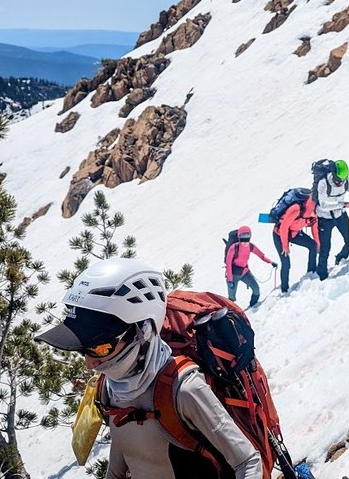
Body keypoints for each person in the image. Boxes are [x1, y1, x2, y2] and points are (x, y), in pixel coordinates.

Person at [35, 258, 263, 479]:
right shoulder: (110, 389)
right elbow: (120, 464)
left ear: (142, 330)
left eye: (101, 348)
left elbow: (248, 462)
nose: (89, 363)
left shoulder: (183, 389)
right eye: (82, 349)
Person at [315, 159, 349, 280]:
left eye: (342, 181)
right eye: (338, 181)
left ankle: (340, 258)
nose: (340, 183)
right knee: (325, 249)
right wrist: (343, 204)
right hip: (324, 218)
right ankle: (322, 275)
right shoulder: (323, 183)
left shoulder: (346, 181)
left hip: (340, 215)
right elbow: (323, 204)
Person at [272, 195, 320, 292]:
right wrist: (285, 246)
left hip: (295, 233)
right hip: (279, 234)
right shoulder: (296, 209)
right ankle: (284, 289)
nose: (315, 214)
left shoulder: (314, 214)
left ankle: (311, 272)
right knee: (286, 263)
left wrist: (318, 244)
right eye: (314, 212)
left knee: (313, 246)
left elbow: (314, 228)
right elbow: (283, 227)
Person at [225, 225, 277, 307]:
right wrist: (230, 280)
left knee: (256, 290)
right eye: (243, 239)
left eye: (247, 238)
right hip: (233, 275)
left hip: (245, 272)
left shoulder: (251, 246)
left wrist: (271, 262)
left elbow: (261, 256)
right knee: (231, 299)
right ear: (239, 237)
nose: (245, 242)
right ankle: (230, 314)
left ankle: (253, 307)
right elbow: (228, 264)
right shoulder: (233, 248)